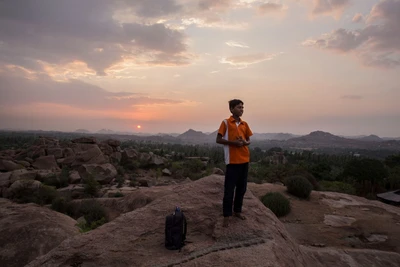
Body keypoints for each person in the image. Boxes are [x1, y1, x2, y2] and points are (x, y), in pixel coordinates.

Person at [216, 99, 253, 227]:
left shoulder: (244, 124)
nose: (241, 109)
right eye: (238, 107)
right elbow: (218, 140)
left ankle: (237, 211)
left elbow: (248, 140)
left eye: (242, 107)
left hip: (244, 160)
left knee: (242, 189)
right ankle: (226, 215)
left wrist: (243, 143)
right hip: (232, 161)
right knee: (229, 190)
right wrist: (234, 143)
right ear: (231, 109)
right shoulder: (226, 123)